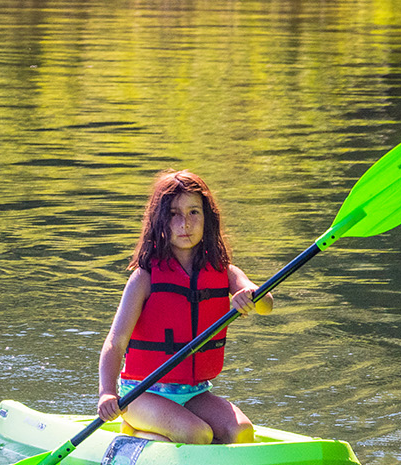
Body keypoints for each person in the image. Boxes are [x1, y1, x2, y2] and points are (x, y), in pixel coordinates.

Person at [96, 170, 272, 444]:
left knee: (241, 432)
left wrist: (251, 296)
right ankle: (136, 432)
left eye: (194, 213)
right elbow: (115, 342)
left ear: (207, 219)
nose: (185, 224)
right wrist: (107, 392)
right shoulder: (144, 278)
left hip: (195, 392)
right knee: (197, 433)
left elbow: (267, 305)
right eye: (174, 214)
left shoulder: (225, 272)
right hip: (141, 394)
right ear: (160, 221)